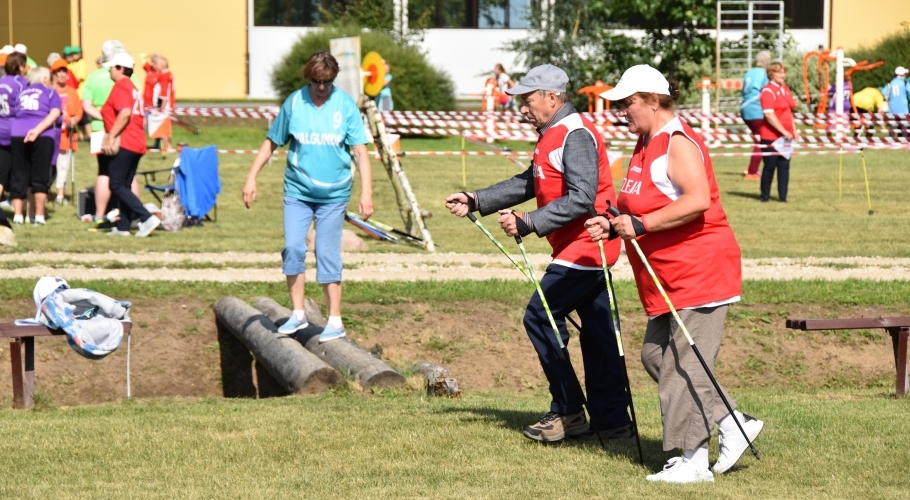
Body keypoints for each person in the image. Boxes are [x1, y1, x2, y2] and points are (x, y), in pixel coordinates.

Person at [588, 64, 763, 484]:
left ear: (653, 100)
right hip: (666, 278)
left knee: (684, 364)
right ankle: (734, 422)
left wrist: (642, 225)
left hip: (699, 271)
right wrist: (613, 223)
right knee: (657, 356)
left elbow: (698, 199)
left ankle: (694, 461)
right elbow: (639, 203)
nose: (621, 111)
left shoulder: (677, 142)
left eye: (627, 103)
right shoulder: (644, 142)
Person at [446, 64, 633, 443]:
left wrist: (529, 222)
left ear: (552, 97)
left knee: (540, 315)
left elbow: (582, 198)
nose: (523, 108)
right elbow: (530, 181)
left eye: (528, 100)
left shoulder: (575, 133)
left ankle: (568, 411)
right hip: (575, 246)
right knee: (598, 334)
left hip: (588, 245)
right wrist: (476, 199)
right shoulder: (551, 134)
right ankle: (613, 422)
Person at [242, 50, 373, 342]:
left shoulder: (345, 105)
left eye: (327, 82)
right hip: (298, 191)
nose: (322, 87)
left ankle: (335, 320)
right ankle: (298, 313)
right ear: (308, 78)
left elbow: (361, 152)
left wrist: (366, 192)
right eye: (316, 82)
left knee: (326, 253)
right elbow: (271, 141)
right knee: (293, 248)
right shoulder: (294, 103)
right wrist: (251, 177)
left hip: (334, 193)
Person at [99, 52, 160, 237]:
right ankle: (123, 228)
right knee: (124, 184)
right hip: (137, 141)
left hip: (125, 141)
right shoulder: (133, 87)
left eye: (112, 67)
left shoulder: (121, 86)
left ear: (120, 69)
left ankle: (146, 217)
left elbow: (125, 113)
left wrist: (111, 136)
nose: (110, 70)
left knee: (116, 184)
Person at [82, 40, 141, 222]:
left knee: (104, 172)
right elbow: (135, 102)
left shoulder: (94, 77)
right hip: (125, 128)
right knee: (129, 175)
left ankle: (100, 214)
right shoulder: (129, 77)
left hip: (102, 128)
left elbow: (87, 105)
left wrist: (101, 117)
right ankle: (133, 214)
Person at [9, 67, 61, 225]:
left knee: (19, 174)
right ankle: (39, 216)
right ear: (45, 79)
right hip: (42, 134)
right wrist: (37, 130)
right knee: (40, 175)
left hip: (18, 132)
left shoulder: (22, 92)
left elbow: (16, 112)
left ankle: (18, 215)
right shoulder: (50, 92)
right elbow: (55, 113)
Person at [759, 62, 797, 203]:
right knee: (770, 166)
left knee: (784, 166)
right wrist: (783, 131)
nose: (783, 75)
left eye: (783, 72)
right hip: (771, 137)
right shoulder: (768, 91)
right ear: (772, 74)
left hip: (786, 137)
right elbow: (769, 115)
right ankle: (765, 197)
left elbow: (789, 111)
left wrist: (794, 130)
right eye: (779, 72)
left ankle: (783, 197)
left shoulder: (785, 89)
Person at [51, 58, 83, 205]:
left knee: (63, 165)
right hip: (52, 133)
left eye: (64, 71)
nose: (63, 74)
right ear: (54, 74)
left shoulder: (72, 92)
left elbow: (78, 112)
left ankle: (60, 195)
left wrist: (74, 120)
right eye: (59, 71)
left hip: (67, 134)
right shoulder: (50, 90)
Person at [0, 52, 27, 203]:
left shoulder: (1, 80)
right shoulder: (21, 83)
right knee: (20, 170)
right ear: (20, 66)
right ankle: (21, 204)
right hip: (15, 130)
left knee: (2, 171)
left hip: (1, 128)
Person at [740, 50, 771, 180]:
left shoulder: (749, 72)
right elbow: (764, 90)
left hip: (744, 107)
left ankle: (753, 167)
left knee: (759, 139)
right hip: (755, 108)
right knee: (761, 141)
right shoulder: (763, 73)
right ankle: (752, 172)